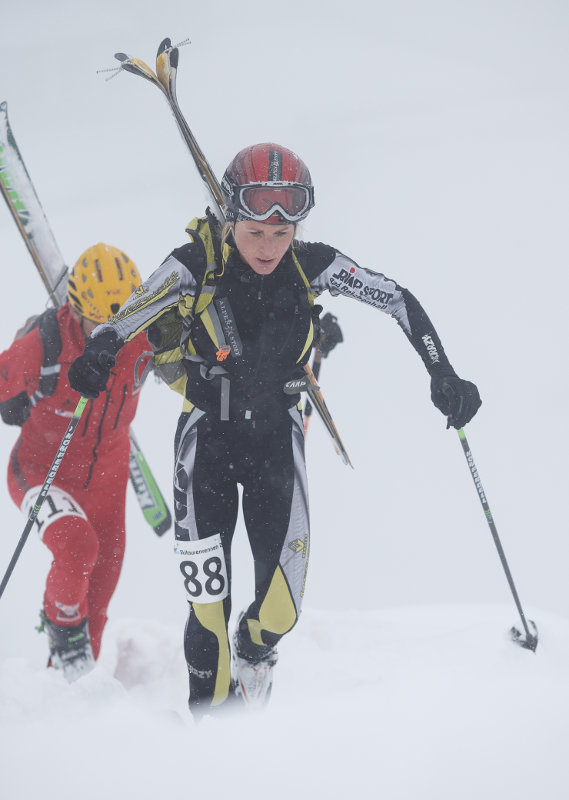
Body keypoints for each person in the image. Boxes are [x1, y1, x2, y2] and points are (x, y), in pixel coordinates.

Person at [68, 143, 481, 715]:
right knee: (207, 610)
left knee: (282, 611)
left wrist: (443, 371)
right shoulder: (194, 263)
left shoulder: (314, 265)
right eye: (255, 233)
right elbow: (127, 315)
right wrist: (100, 352)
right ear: (231, 215)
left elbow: (397, 298)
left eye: (281, 235)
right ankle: (214, 739)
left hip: (275, 446)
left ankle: (254, 650)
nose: (268, 248)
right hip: (205, 443)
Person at [0, 243, 148, 682]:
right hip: (42, 473)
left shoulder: (146, 337)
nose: (114, 331)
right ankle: (64, 643)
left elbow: (203, 356)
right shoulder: (46, 343)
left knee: (99, 596)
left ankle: (67, 697)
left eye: (123, 319)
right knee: (76, 547)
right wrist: (10, 401)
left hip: (109, 480)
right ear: (75, 308)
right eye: (101, 321)